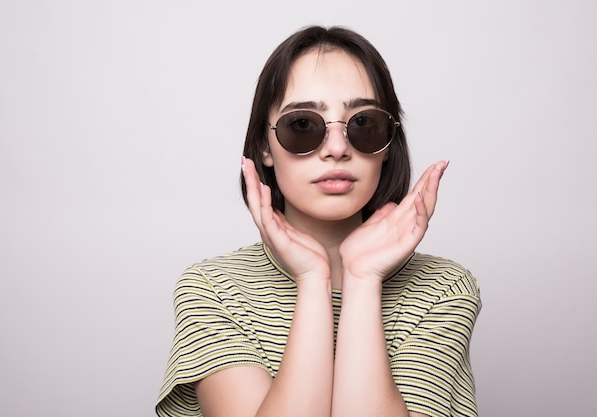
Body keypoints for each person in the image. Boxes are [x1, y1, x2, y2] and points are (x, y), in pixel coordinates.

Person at [155, 25, 481, 417]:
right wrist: (313, 281)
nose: (338, 148)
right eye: (303, 125)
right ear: (264, 146)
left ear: (389, 143)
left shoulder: (441, 290)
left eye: (363, 124)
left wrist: (362, 280)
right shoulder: (214, 289)